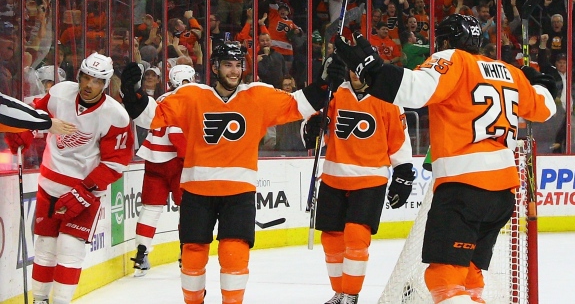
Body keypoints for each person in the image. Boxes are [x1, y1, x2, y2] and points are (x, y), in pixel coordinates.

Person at [335, 14, 557, 304]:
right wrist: (540, 82)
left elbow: (412, 91)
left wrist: (372, 69)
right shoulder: (510, 72)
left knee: (443, 277)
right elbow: (546, 107)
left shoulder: (454, 59)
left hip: (463, 188)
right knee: (470, 275)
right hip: (502, 194)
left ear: (448, 41)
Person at [119, 43, 345, 304]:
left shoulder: (258, 95)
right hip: (196, 191)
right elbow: (152, 116)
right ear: (215, 67)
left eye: (238, 65)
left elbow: (297, 105)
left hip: (239, 193)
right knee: (192, 253)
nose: (234, 71)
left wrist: (323, 84)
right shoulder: (191, 95)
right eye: (228, 64)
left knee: (234, 252)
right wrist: (132, 94)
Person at [4, 52, 134, 304]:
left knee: (70, 250)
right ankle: (40, 300)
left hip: (83, 191)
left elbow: (116, 162)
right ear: (79, 75)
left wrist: (85, 190)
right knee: (44, 248)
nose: (89, 85)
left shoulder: (116, 115)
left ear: (105, 84)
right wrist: (22, 132)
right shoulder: (61, 92)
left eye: (96, 81)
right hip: (49, 184)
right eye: (86, 77)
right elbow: (35, 116)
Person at [302, 63, 415, 304]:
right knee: (331, 238)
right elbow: (311, 130)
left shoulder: (388, 97)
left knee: (356, 234)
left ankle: (351, 295)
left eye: (360, 68)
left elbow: (399, 140)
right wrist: (312, 128)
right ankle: (340, 292)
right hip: (333, 176)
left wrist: (403, 173)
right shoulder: (334, 94)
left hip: (370, 179)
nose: (356, 73)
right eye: (352, 69)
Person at [131, 64, 196, 277]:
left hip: (153, 161)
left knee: (150, 208)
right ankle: (185, 253)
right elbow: (177, 135)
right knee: (187, 209)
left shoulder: (161, 99)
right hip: (177, 162)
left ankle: (141, 253)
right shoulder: (187, 100)